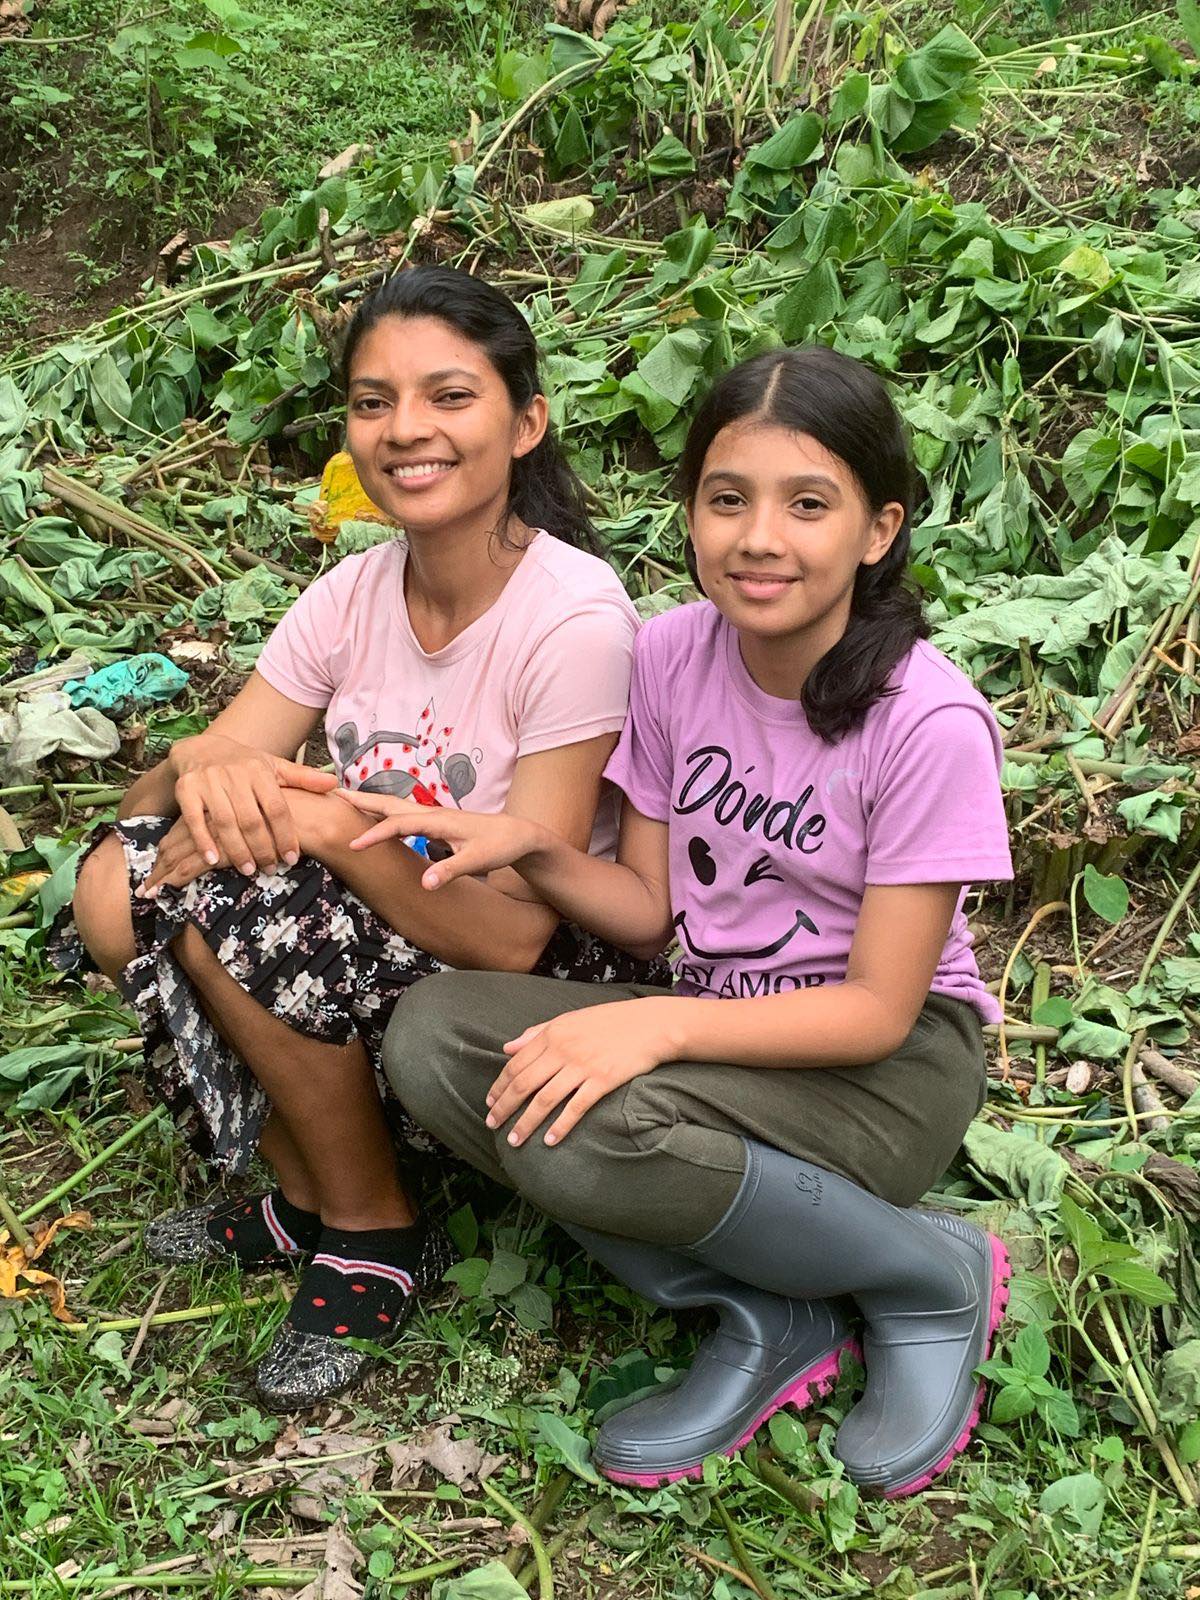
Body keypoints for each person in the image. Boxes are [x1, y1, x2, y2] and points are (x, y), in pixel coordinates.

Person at [342, 345, 1016, 1497]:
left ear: (878, 529)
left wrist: (651, 1027)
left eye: (809, 504)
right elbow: (652, 915)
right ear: (691, 512)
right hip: (721, 1028)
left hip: (889, 1070)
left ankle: (926, 1275)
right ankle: (767, 1309)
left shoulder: (928, 723)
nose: (760, 537)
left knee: (587, 1119)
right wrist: (534, 848)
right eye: (728, 498)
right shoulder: (669, 655)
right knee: (437, 1039)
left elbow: (875, 1008)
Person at [51, 265, 657, 1410]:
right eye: (374, 401)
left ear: (526, 422)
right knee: (116, 882)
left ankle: (377, 1228)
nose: (405, 429)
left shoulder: (574, 620)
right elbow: (153, 810)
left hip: (526, 983)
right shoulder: (352, 594)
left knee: (242, 892)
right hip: (380, 927)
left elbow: (523, 935)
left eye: (448, 396)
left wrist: (328, 823)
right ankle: (312, 1190)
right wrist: (201, 761)